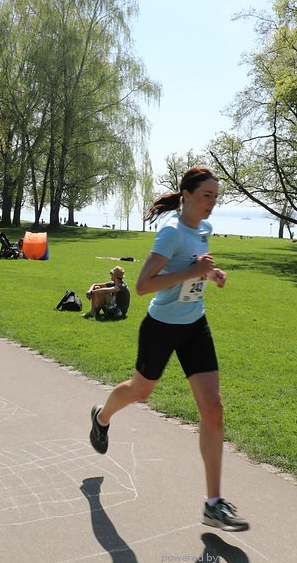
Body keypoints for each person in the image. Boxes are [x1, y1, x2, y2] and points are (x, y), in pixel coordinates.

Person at [87, 166, 244, 531]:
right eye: (206, 196)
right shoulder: (171, 232)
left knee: (214, 409)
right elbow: (143, 286)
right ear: (186, 195)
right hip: (161, 327)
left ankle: (213, 503)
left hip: (195, 324)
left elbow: (194, 266)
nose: (211, 204)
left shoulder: (203, 228)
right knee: (139, 392)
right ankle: (101, 417)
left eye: (215, 198)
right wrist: (194, 272)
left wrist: (209, 273)